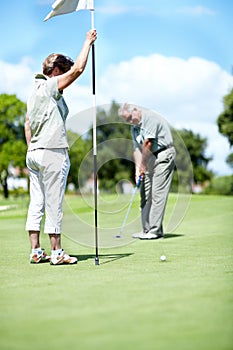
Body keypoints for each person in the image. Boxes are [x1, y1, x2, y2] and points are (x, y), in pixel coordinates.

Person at [25, 29, 97, 264]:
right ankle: (56, 253)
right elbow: (78, 69)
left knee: (37, 202)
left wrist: (31, 149)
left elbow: (27, 124)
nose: (66, 78)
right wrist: (87, 42)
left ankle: (36, 251)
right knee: (53, 202)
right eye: (62, 73)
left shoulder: (33, 91)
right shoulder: (49, 86)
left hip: (35, 152)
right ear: (55, 72)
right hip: (52, 152)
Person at [119, 103, 176, 239]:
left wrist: (143, 165)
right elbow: (137, 149)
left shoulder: (150, 118)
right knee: (145, 192)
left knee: (157, 193)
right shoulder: (134, 129)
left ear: (136, 111)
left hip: (164, 154)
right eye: (126, 120)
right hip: (149, 157)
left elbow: (148, 143)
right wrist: (137, 169)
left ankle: (155, 231)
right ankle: (146, 230)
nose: (130, 122)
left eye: (130, 118)